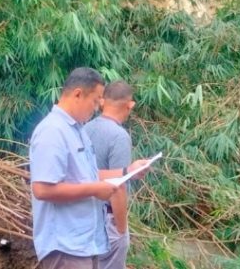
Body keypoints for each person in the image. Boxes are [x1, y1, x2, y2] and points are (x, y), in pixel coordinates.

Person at [29, 68, 151, 269]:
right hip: (66, 246)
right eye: (95, 101)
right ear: (77, 94)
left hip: (86, 243)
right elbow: (42, 189)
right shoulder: (52, 131)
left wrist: (127, 171)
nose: (96, 108)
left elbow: (90, 175)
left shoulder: (79, 131)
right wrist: (95, 190)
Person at [84, 81, 136, 269]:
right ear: (130, 105)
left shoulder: (86, 128)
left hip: (87, 215)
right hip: (108, 219)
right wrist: (121, 230)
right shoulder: (119, 136)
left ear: (103, 102)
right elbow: (118, 186)